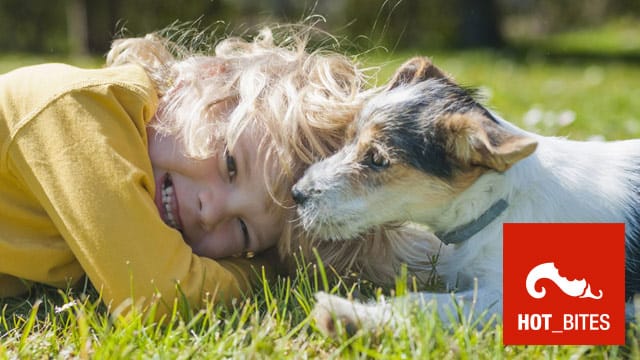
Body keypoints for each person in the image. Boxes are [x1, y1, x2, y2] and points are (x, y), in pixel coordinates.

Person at [0, 23, 371, 317]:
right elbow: (157, 295)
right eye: (230, 164)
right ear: (205, 79)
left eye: (243, 231)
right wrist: (270, 270)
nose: (211, 212)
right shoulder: (83, 111)